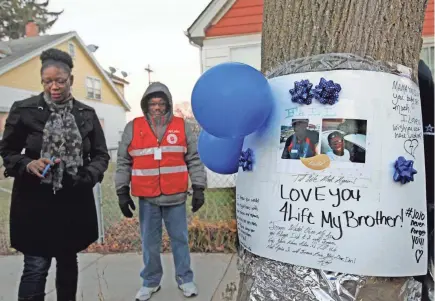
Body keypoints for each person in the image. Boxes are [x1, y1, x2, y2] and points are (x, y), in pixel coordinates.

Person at [0, 48, 109, 301]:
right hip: (33, 203)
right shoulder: (24, 110)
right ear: (42, 82)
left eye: (60, 80)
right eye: (47, 81)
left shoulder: (86, 115)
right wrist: (28, 164)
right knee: (36, 265)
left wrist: (88, 176)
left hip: (72, 202)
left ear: (71, 79)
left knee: (68, 261)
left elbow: (101, 156)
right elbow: (8, 150)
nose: (54, 87)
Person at [115, 82, 207, 300]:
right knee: (149, 242)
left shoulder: (181, 126)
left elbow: (194, 158)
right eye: (152, 103)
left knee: (180, 240)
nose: (157, 107)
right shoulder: (133, 127)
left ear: (167, 104)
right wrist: (121, 191)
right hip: (147, 197)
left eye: (161, 103)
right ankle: (150, 282)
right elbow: (123, 161)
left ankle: (185, 279)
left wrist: (199, 187)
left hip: (175, 196)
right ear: (146, 104)